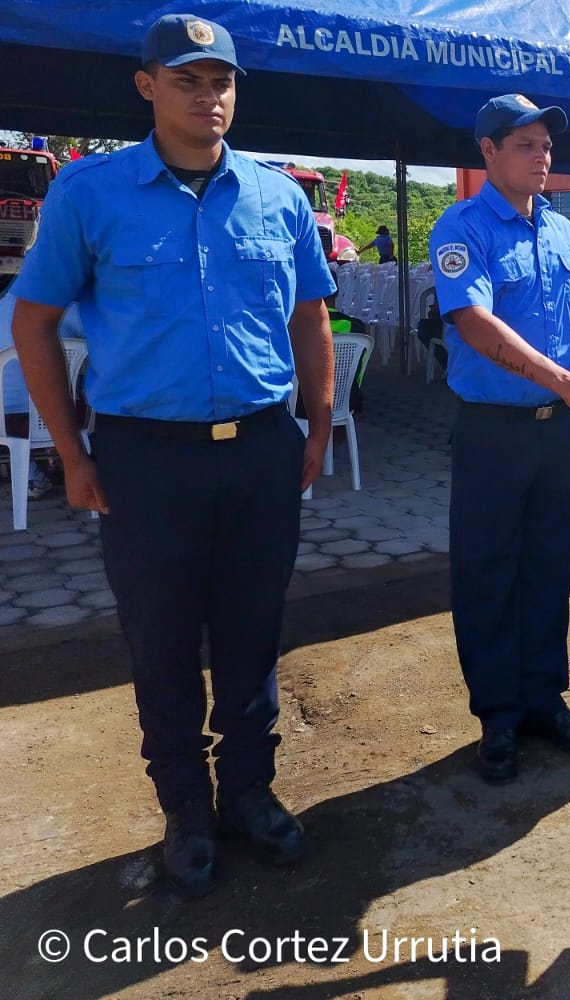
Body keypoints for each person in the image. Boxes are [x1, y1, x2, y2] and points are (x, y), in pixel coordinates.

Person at [9, 14, 336, 897]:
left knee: (251, 633)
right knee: (159, 640)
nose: (209, 96)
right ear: (147, 86)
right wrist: (70, 453)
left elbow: (311, 315)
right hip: (145, 463)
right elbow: (32, 321)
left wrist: (319, 418)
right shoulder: (89, 193)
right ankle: (186, 810)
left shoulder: (279, 198)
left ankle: (252, 797)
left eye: (221, 80)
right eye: (188, 80)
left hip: (262, 450)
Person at [428, 94, 570, 785]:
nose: (542, 157)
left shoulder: (560, 231)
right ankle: (498, 717)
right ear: (487, 152)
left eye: (546, 145)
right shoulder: (464, 227)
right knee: (489, 574)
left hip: (553, 433)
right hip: (492, 432)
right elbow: (476, 323)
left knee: (549, 567)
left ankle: (544, 701)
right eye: (525, 145)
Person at [0, 291, 84, 499]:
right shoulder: (68, 310)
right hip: (56, 417)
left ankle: (29, 477)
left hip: (3, 420)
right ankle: (86, 466)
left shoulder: (2, 306)